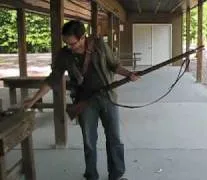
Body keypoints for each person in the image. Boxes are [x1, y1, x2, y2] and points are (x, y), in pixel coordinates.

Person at [23, 20, 139, 180]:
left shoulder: (99, 45)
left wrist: (128, 74)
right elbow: (53, 79)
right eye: (67, 44)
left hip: (107, 98)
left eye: (73, 43)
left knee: (114, 139)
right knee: (89, 142)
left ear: (83, 37)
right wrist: (34, 98)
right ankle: (91, 175)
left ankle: (116, 174)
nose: (70, 47)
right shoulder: (65, 54)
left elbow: (114, 65)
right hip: (84, 102)